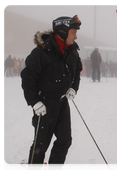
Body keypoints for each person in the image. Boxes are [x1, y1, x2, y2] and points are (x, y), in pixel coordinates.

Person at [21, 15, 82, 170]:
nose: (76, 36)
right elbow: (28, 78)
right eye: (73, 32)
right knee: (40, 145)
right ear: (63, 32)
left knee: (65, 140)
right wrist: (35, 102)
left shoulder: (72, 52)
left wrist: (73, 87)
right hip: (45, 105)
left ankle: (55, 167)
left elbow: (77, 72)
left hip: (62, 104)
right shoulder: (42, 52)